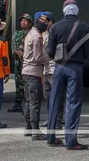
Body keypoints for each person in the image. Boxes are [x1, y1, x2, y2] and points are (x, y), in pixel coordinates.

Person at [46, 0, 89, 149]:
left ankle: (51, 137)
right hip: (75, 69)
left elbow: (49, 52)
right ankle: (71, 141)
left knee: (54, 101)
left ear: (64, 10)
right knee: (73, 103)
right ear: (76, 11)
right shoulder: (84, 27)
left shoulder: (55, 27)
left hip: (59, 67)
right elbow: (88, 52)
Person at [22, 12, 48, 140]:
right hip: (33, 72)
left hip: (26, 72)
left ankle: (28, 128)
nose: (45, 25)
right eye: (43, 23)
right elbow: (38, 57)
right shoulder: (37, 36)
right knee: (34, 102)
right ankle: (35, 131)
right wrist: (49, 59)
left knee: (28, 100)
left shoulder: (30, 34)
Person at [40, 11, 65, 130]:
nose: (43, 24)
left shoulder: (57, 33)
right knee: (47, 96)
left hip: (55, 69)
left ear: (51, 22)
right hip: (46, 70)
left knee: (58, 96)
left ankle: (59, 120)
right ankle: (51, 119)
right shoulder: (43, 34)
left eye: (45, 22)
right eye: (42, 22)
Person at [10, 14, 32, 113]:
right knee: (18, 82)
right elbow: (12, 47)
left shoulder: (33, 34)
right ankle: (18, 103)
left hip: (29, 63)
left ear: (30, 23)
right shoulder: (16, 34)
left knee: (29, 83)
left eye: (25, 21)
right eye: (21, 21)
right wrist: (18, 52)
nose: (23, 22)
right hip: (18, 62)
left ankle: (28, 105)